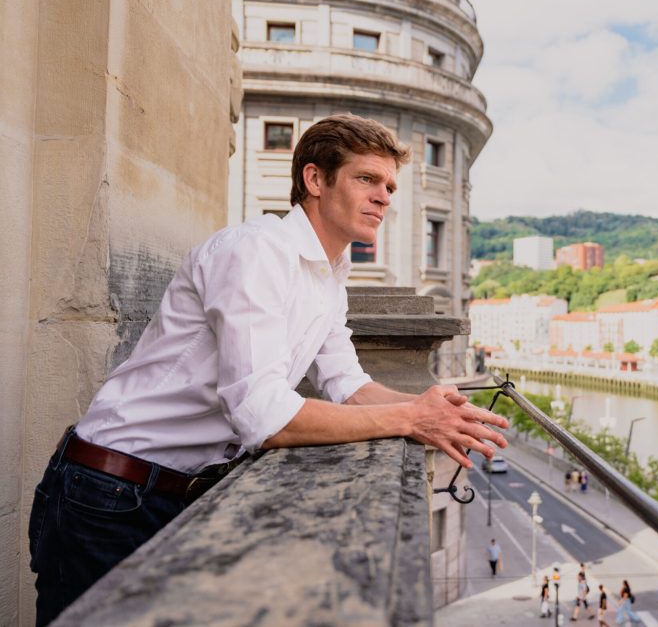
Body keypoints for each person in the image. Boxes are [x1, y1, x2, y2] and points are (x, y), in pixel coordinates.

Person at [26, 114, 510, 626]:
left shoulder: (329, 276)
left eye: (389, 185)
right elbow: (263, 416)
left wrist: (441, 410)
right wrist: (411, 420)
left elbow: (347, 385)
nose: (385, 196)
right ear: (315, 180)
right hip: (107, 492)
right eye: (366, 179)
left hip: (170, 492)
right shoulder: (255, 251)